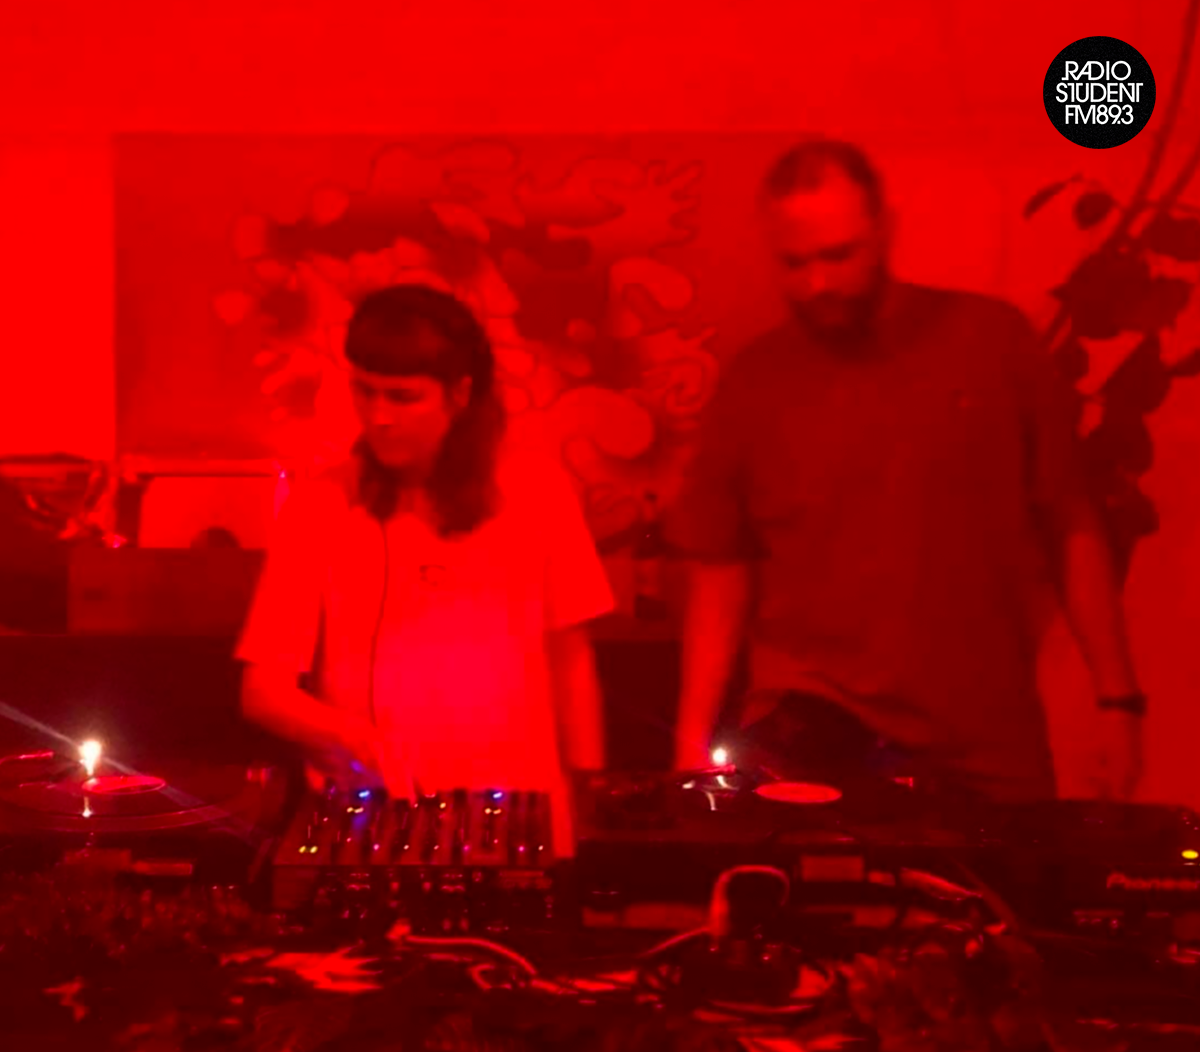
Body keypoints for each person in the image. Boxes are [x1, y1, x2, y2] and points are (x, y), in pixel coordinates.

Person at [667, 138, 1144, 802]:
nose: (818, 284)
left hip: (983, 732)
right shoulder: (754, 383)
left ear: (884, 231)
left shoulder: (992, 344)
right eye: (795, 263)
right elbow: (721, 568)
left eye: (839, 255)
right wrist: (690, 743)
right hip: (807, 725)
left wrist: (1118, 701)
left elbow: (1072, 522)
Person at [237, 284, 612, 853]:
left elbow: (572, 664)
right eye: (364, 391)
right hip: (371, 818)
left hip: (520, 818)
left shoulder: (539, 492)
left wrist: (591, 807)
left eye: (402, 397)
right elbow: (262, 691)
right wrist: (346, 734)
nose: (378, 417)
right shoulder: (320, 505)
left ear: (460, 393)